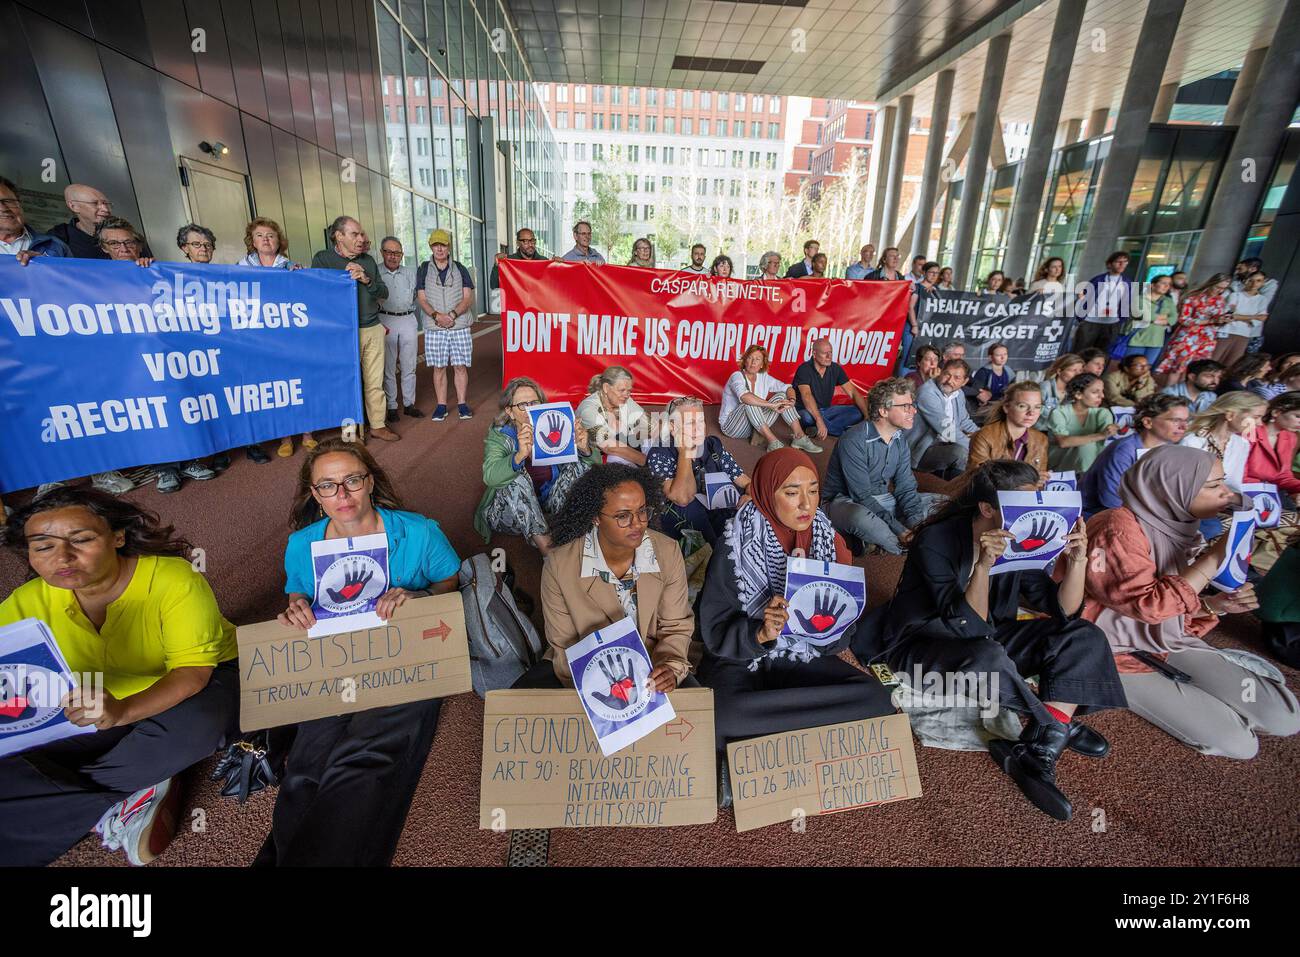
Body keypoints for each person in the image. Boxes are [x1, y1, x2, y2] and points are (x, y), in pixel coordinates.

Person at [852, 460, 1124, 821]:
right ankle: (1056, 724)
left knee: (1085, 635)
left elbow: (1063, 610)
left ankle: (1042, 745)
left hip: (988, 635)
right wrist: (983, 565)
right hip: (922, 643)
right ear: (987, 509)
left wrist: (1077, 562)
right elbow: (970, 625)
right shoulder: (938, 540)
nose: (1033, 511)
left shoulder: (1021, 537)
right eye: (1021, 504)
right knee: (987, 656)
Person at [0, 488, 239, 866]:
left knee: (205, 723)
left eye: (81, 539)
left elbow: (193, 674)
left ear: (117, 536)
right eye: (42, 546)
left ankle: (85, 794)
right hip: (95, 699)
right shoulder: (27, 599)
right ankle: (135, 781)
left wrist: (123, 712)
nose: (62, 557)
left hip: (192, 686)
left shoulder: (175, 579)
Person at [260, 439, 460, 866]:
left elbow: (450, 587)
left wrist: (416, 596)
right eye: (328, 486)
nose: (343, 495)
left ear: (369, 481)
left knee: (366, 758)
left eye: (352, 480)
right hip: (334, 661)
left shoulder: (419, 531)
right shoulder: (302, 543)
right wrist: (296, 607)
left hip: (405, 654)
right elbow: (298, 589)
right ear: (315, 495)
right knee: (305, 768)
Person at [1082, 446, 1299, 758]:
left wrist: (1217, 606)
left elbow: (1174, 608)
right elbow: (1148, 606)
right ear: (1170, 489)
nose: (1226, 493)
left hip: (1168, 640)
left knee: (1284, 717)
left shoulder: (1180, 527)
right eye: (1213, 486)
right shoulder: (1116, 528)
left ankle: (1214, 678)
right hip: (1110, 652)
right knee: (1239, 743)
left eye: (1223, 482)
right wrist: (1213, 559)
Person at [697, 449, 896, 766]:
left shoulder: (827, 538)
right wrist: (761, 632)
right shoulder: (735, 542)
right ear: (766, 492)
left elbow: (836, 640)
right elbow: (714, 628)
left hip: (799, 652)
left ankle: (755, 750)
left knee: (877, 697)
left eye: (814, 490)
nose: (806, 504)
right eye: (792, 492)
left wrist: (831, 624)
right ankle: (810, 737)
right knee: (721, 718)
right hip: (741, 656)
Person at [512, 464, 696, 694]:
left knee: (700, 718)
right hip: (587, 667)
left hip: (651, 661)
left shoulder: (667, 552)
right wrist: (608, 690)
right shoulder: (559, 566)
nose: (637, 523)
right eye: (623, 516)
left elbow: (676, 625)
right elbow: (564, 644)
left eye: (642, 511)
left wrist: (669, 668)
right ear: (596, 518)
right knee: (517, 702)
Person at [34, 217, 152, 498]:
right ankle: (57, 475)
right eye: (115, 243)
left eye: (129, 242)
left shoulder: (153, 271)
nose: (124, 248)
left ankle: (127, 464)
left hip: (141, 353)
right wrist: (31, 269)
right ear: (103, 247)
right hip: (96, 355)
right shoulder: (85, 275)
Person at [475, 377, 597, 555]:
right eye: (522, 405)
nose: (530, 409)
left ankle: (577, 532)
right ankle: (549, 552)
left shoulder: (556, 427)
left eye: (534, 402)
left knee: (577, 463)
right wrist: (518, 457)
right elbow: (490, 477)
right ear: (509, 411)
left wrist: (585, 449)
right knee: (514, 475)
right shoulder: (500, 436)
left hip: (550, 507)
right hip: (510, 513)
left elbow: (594, 468)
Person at [824, 378, 942, 554]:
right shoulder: (853, 440)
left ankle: (878, 539)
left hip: (883, 499)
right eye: (906, 406)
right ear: (883, 411)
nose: (914, 410)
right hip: (846, 502)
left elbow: (906, 487)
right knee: (861, 518)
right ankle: (906, 549)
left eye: (912, 405)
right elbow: (861, 496)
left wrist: (915, 524)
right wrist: (901, 530)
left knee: (942, 502)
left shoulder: (899, 439)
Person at [312, 216, 397, 442]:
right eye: (354, 234)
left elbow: (383, 293)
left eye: (361, 234)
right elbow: (316, 291)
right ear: (339, 236)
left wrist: (365, 278)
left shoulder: (368, 261)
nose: (361, 239)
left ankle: (378, 425)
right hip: (342, 333)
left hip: (372, 328)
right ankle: (350, 432)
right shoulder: (323, 259)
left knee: (374, 382)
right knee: (346, 384)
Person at [239, 217, 313, 460]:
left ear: (279, 240)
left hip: (289, 338)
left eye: (270, 235)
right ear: (252, 241)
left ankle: (307, 434)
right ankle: (285, 436)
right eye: (260, 235)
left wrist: (301, 277)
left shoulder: (289, 266)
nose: (266, 240)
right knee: (278, 388)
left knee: (298, 384)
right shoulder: (241, 267)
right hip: (260, 339)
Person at [646, 397, 751, 547]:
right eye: (690, 423)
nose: (698, 428)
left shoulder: (712, 446)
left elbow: (746, 481)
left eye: (701, 421)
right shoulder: (660, 454)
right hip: (682, 525)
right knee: (689, 507)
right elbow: (682, 498)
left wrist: (750, 495)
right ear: (672, 427)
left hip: (716, 514)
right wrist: (684, 452)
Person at [1081, 394, 1191, 516]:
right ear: (1148, 422)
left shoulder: (1171, 450)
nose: (1184, 427)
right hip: (1100, 515)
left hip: (1140, 513)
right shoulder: (1123, 451)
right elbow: (1111, 501)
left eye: (1186, 420)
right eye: (1175, 420)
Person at [1182, 391, 1268, 538]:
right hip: (1189, 504)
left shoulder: (1241, 444)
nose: (1260, 424)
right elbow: (1184, 488)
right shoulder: (1193, 441)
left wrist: (1241, 501)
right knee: (1214, 528)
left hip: (1218, 501)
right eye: (1255, 417)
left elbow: (1234, 484)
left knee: (1262, 518)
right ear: (1230, 415)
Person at [415, 228, 475, 423]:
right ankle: (441, 405)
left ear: (449, 247)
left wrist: (452, 315)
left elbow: (468, 298)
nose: (439, 249)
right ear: (431, 247)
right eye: (435, 245)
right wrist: (436, 316)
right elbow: (422, 299)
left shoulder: (461, 268)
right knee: (438, 367)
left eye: (443, 245)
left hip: (459, 325)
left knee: (460, 365)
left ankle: (462, 403)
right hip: (435, 327)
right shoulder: (423, 268)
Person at [719, 344, 821, 452]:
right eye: (750, 358)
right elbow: (744, 397)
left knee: (782, 396)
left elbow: (788, 388)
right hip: (731, 426)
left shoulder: (763, 377)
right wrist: (770, 405)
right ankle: (773, 442)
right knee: (749, 402)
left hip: (754, 424)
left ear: (762, 364)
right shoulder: (737, 376)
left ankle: (799, 437)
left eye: (757, 359)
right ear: (745, 360)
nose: (753, 362)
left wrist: (792, 401)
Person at [374, 236, 422, 422]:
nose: (393, 256)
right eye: (389, 252)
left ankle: (409, 404)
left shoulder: (411, 272)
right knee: (388, 366)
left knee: (410, 365)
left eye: (397, 253)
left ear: (402, 254)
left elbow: (418, 295)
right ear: (382, 252)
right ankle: (392, 406)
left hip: (408, 319)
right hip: (385, 319)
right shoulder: (376, 272)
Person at [966, 380, 1050, 486]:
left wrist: (1042, 480)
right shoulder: (984, 436)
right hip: (989, 499)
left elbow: (1038, 483)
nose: (1031, 413)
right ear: (1006, 407)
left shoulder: (1041, 439)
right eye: (1022, 406)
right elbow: (979, 479)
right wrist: (1027, 479)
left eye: (1037, 407)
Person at [1155, 273, 1232, 385]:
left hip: (1207, 339)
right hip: (1188, 337)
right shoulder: (1193, 297)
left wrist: (1222, 321)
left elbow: (1217, 320)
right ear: (1211, 283)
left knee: (1195, 370)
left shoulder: (1220, 300)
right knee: (1178, 368)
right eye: (1218, 287)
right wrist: (1210, 321)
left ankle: (1182, 396)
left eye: (1223, 289)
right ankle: (1168, 394)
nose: (1220, 291)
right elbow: (1183, 319)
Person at [909, 358, 979, 477]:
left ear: (964, 381)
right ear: (941, 372)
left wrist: (984, 436)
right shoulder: (927, 393)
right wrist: (978, 447)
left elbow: (964, 421)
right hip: (921, 450)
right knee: (961, 452)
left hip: (945, 444)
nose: (950, 381)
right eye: (947, 374)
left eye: (957, 378)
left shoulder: (958, 393)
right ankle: (953, 491)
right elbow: (947, 431)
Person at [48, 183, 154, 260]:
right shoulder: (59, 237)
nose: (105, 209)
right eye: (95, 204)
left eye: (106, 203)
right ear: (74, 206)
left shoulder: (131, 238)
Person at [792, 337, 869, 439]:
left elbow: (853, 393)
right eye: (825, 353)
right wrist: (819, 420)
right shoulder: (804, 369)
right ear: (814, 354)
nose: (829, 356)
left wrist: (867, 416)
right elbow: (807, 396)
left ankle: (816, 429)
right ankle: (842, 433)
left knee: (858, 412)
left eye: (831, 352)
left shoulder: (835, 368)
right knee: (807, 418)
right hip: (806, 410)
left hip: (827, 410)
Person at [576, 366, 650, 466]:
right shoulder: (588, 409)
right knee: (616, 457)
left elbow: (646, 424)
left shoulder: (623, 399)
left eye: (629, 391)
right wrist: (647, 462)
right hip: (593, 463)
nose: (627, 395)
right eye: (622, 390)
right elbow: (608, 446)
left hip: (620, 452)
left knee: (652, 441)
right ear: (606, 388)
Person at [1045, 372, 1117, 473]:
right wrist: (1101, 435)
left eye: (1102, 391)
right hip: (1060, 465)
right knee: (1087, 446)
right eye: (1095, 392)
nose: (1102, 396)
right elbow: (1063, 442)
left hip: (1094, 464)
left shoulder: (1103, 413)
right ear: (1078, 394)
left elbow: (1103, 445)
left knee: (1091, 446)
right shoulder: (1059, 412)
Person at [1072, 250, 1135, 355]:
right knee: (1080, 351)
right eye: (1118, 261)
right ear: (1109, 264)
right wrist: (1081, 316)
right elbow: (1084, 296)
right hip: (1090, 321)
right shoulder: (1098, 279)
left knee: (1103, 354)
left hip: (1111, 323)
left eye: (1125, 262)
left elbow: (1126, 302)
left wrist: (1121, 319)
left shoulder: (1127, 282)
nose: (1122, 264)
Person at [1245, 391, 1300, 500]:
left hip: (1268, 492)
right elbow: (1239, 475)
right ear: (1276, 412)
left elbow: (1283, 476)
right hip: (1244, 492)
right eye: (1298, 416)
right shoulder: (1249, 432)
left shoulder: (1290, 437)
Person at [0, 175, 70, 261]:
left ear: (20, 205)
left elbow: (73, 273)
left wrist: (47, 266)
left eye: (8, 201)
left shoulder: (55, 246)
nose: (3, 209)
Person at [1211, 271, 1268, 370]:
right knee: (1214, 359)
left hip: (1244, 334)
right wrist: (1253, 317)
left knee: (1231, 364)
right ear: (1246, 281)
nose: (1254, 284)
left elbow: (1260, 319)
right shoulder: (1235, 295)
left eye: (1258, 281)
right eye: (1251, 280)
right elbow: (1230, 315)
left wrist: (1239, 317)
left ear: (1263, 282)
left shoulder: (1262, 300)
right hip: (1227, 331)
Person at [1122, 273, 1176, 365]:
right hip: (1137, 339)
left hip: (1156, 341)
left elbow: (1174, 318)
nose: (1166, 286)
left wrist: (1154, 318)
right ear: (1152, 285)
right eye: (1163, 283)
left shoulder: (1169, 301)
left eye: (1169, 284)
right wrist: (1163, 317)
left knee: (1146, 369)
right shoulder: (1139, 299)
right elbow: (1143, 315)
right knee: (1131, 366)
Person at [970, 342, 1015, 418]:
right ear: (990, 357)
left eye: (1005, 354)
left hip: (1004, 404)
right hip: (987, 407)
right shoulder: (983, 372)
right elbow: (977, 393)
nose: (1003, 357)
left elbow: (1013, 389)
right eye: (998, 355)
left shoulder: (1009, 371)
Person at [1037, 353, 1084, 424]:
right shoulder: (1044, 387)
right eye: (1074, 370)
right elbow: (1036, 411)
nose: (1078, 374)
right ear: (1059, 371)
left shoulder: (1074, 392)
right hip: (1040, 430)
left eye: (1080, 371)